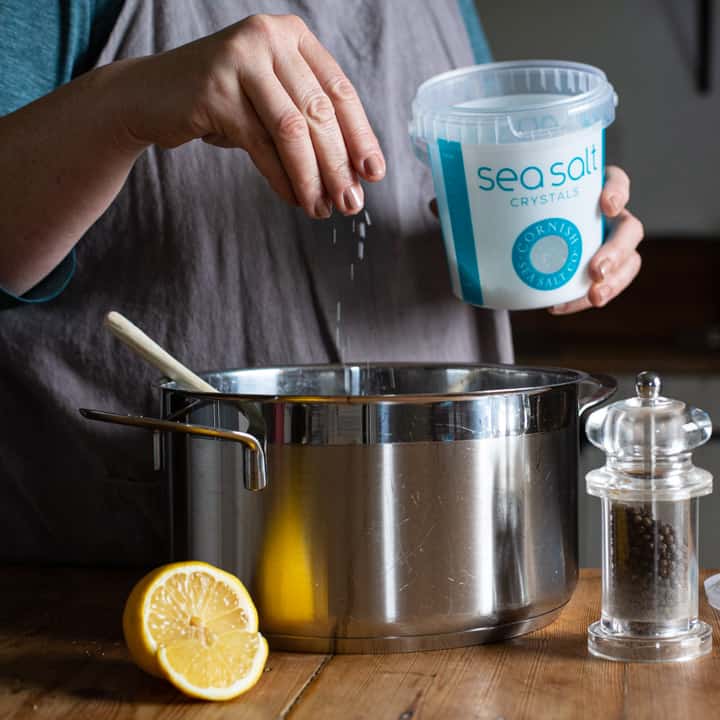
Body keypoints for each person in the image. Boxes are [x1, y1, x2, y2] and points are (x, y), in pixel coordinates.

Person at [0, 1, 643, 565]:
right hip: (140, 579)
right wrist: (125, 105)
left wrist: (551, 224)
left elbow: (447, 195)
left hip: (453, 548)